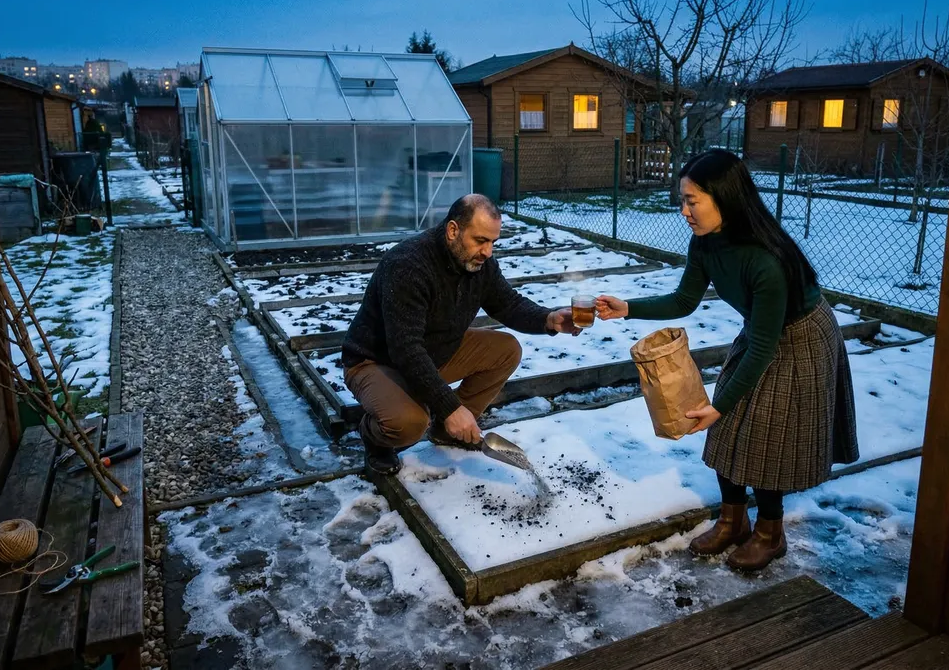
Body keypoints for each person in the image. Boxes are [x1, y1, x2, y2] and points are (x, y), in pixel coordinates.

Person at [596, 150, 859, 572]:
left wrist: (720, 405)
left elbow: (763, 349)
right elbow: (685, 299)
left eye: (691, 200)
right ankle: (732, 520)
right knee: (728, 428)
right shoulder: (705, 242)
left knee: (767, 431)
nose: (684, 211)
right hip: (762, 330)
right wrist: (627, 307)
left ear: (724, 198)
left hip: (801, 337)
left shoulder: (764, 260)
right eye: (682, 200)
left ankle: (771, 533)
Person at [342, 194, 581, 475]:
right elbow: (405, 349)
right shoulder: (408, 265)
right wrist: (449, 405)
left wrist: (548, 319)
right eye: (481, 240)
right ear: (453, 230)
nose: (488, 252)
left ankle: (448, 431)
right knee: (409, 423)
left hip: (434, 352)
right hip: (377, 362)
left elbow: (507, 303)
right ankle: (374, 438)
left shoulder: (479, 263)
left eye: (493, 242)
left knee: (506, 350)